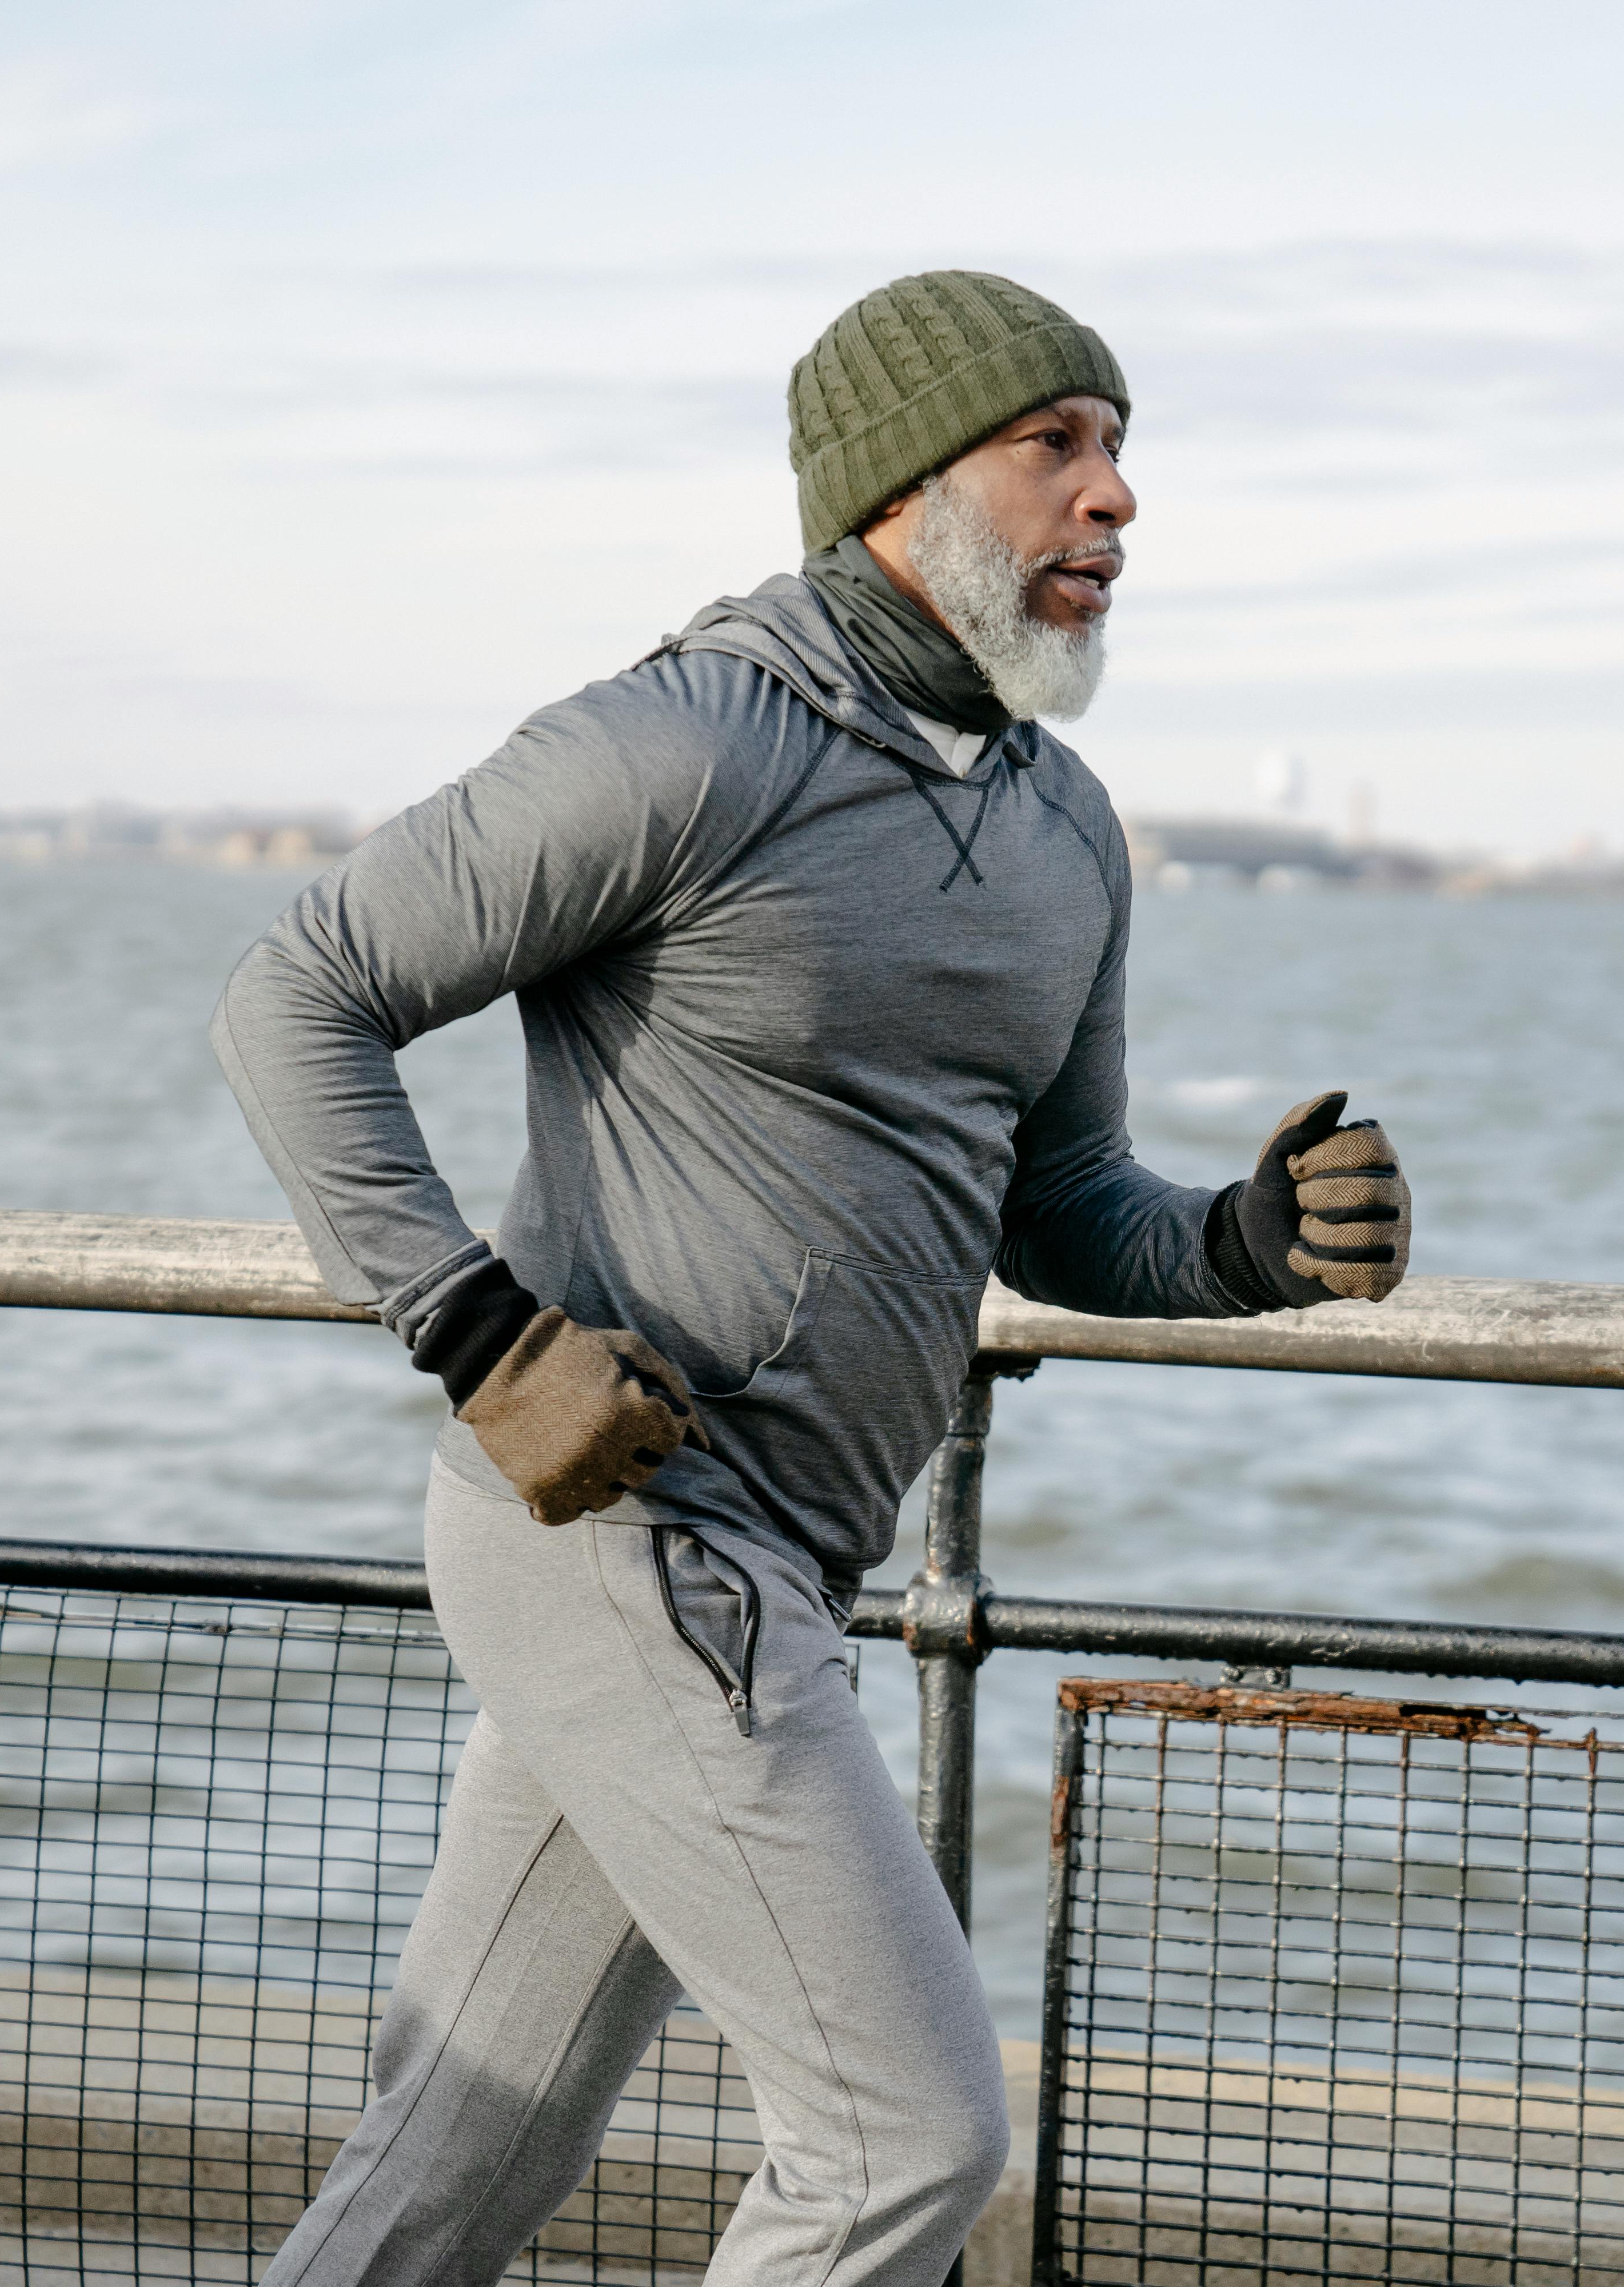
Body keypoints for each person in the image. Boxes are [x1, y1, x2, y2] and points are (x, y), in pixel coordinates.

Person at [212, 270, 1412, 2287]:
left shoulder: (1067, 831)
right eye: (1056, 446)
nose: (1117, 498)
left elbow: (1060, 1202)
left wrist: (1247, 1245)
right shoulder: (686, 742)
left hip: (778, 1564)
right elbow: (298, 993)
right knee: (905, 2143)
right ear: (897, 488)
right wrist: (478, 1331)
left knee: (450, 2170)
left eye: (1123, 450)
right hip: (634, 1539)